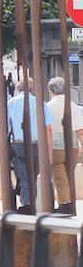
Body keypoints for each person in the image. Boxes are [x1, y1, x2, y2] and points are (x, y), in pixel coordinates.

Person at [0, 75, 54, 213]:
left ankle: (27, 204)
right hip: (37, 146)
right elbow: (48, 129)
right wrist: (49, 153)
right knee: (31, 177)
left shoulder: (11, 103)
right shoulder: (40, 103)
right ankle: (28, 202)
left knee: (23, 176)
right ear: (32, 89)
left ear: (17, 89)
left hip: (18, 145)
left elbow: (4, 129)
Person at [46, 76, 83, 211]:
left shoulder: (48, 106)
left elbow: (46, 129)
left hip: (55, 147)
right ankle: (69, 204)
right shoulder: (72, 106)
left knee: (59, 178)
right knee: (68, 176)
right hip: (72, 146)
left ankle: (64, 205)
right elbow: (80, 131)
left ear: (51, 90)